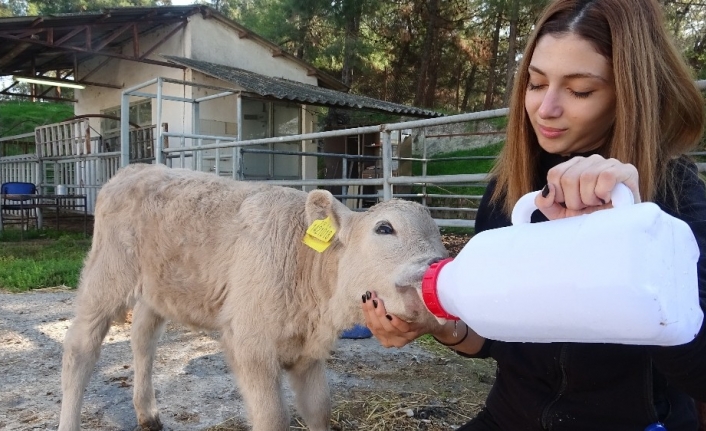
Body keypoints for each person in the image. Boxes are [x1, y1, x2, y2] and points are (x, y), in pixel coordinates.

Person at [362, 0, 706, 430]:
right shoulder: (512, 189)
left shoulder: (674, 198)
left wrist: (632, 245)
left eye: (580, 90)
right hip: (511, 417)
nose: (546, 109)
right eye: (536, 83)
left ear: (631, 94)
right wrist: (438, 324)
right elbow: (500, 341)